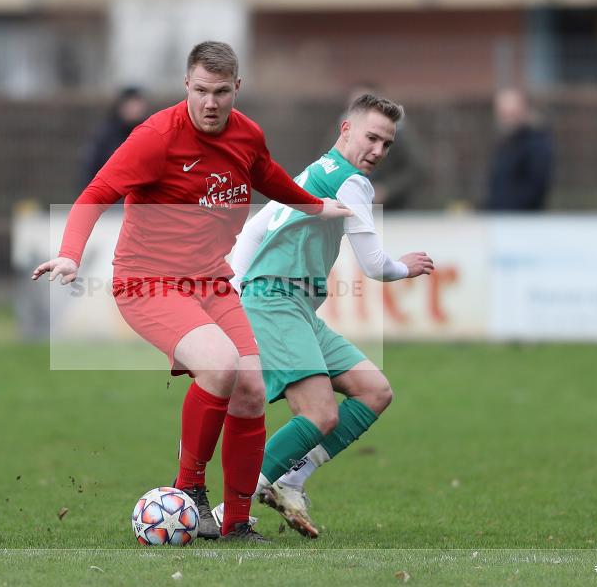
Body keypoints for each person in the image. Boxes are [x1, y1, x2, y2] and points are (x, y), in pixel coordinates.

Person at [31, 41, 351, 541]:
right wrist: (71, 253)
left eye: (221, 92)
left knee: (249, 388)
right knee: (220, 364)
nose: (210, 103)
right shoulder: (156, 137)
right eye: (201, 90)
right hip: (146, 282)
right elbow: (96, 193)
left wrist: (315, 207)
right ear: (187, 86)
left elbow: (268, 176)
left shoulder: (247, 135)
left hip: (211, 282)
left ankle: (238, 524)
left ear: (236, 89)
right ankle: (190, 492)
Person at [230, 94, 434, 537]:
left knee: (374, 391)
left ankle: (290, 480)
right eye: (372, 138)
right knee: (322, 413)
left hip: (292, 305)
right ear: (346, 130)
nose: (378, 151)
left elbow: (252, 229)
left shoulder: (312, 172)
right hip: (276, 301)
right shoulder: (352, 183)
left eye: (387, 144)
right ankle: (238, 511)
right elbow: (374, 263)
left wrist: (234, 288)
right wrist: (405, 267)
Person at [331, 82, 426, 210]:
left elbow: (416, 169)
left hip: (394, 210)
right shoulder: (342, 130)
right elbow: (328, 163)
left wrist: (386, 190)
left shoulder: (398, 132)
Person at [485, 88, 554, 211]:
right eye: (503, 114)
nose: (507, 120)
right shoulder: (506, 144)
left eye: (512, 114)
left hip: (522, 223)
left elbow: (534, 188)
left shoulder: (536, 145)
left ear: (523, 111)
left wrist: (504, 209)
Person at [80, 86, 149, 190]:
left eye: (137, 104)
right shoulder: (105, 135)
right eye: (130, 105)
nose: (134, 109)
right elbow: (91, 168)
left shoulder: (151, 134)